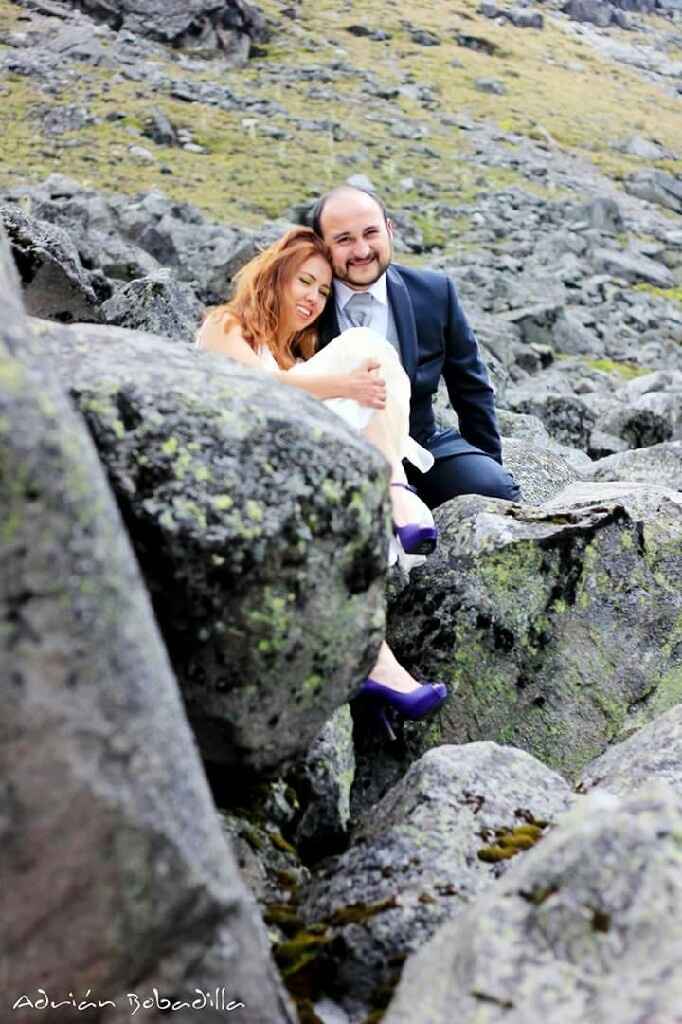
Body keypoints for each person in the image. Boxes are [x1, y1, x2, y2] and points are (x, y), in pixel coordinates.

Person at [195, 226, 447, 736]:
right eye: (304, 282)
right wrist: (343, 385)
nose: (313, 298)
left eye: (323, 291)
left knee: (369, 367)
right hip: (241, 465)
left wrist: (347, 388)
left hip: (290, 464)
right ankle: (396, 496)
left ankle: (378, 666)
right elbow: (256, 390)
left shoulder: (298, 362)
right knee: (360, 348)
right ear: (274, 278)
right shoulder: (226, 325)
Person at [311, 185, 521, 508]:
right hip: (335, 454)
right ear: (322, 246)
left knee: (493, 488)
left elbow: (471, 388)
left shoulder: (435, 292)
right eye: (344, 240)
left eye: (371, 233)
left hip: (420, 444)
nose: (362, 249)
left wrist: (489, 461)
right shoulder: (305, 305)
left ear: (390, 230)